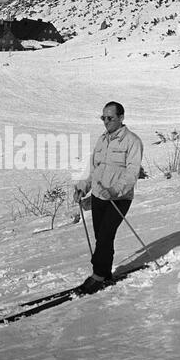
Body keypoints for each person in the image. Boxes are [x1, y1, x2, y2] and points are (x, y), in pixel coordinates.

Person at [74, 101, 143, 294]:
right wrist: (82, 188)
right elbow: (93, 169)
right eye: (103, 117)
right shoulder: (102, 140)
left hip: (119, 198)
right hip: (98, 196)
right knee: (101, 237)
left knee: (105, 235)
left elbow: (131, 174)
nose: (105, 121)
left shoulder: (132, 141)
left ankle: (98, 275)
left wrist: (114, 190)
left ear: (121, 118)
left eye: (110, 118)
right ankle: (105, 273)